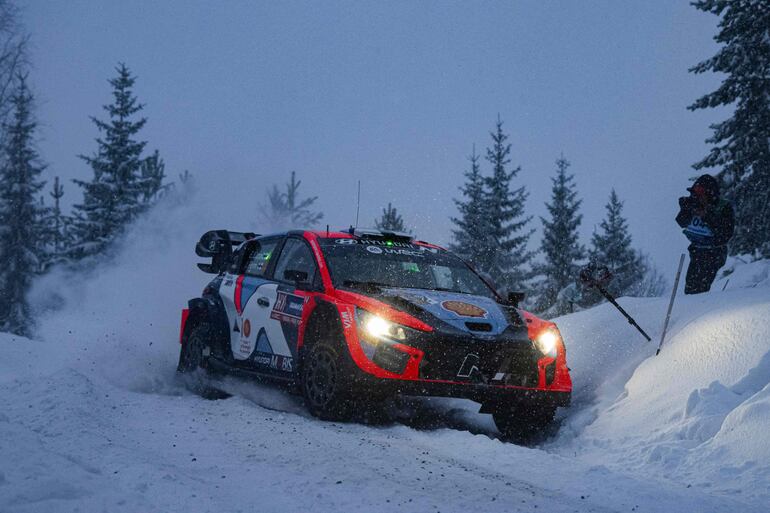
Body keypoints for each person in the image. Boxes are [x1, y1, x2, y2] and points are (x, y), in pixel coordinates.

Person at [676, 174, 734, 294]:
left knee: (701, 289)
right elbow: (681, 222)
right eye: (694, 195)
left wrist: (706, 216)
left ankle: (705, 304)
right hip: (696, 251)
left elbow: (725, 234)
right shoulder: (692, 204)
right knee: (691, 288)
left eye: (700, 195)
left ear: (710, 195)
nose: (696, 198)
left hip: (714, 253)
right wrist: (686, 209)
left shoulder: (723, 208)